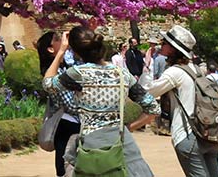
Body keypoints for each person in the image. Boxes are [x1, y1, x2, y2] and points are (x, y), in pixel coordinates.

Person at [43, 26, 159, 177]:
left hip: (94, 149)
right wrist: (129, 127)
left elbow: (48, 84)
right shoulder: (122, 74)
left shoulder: (78, 74)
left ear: (76, 52)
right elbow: (153, 109)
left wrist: (61, 52)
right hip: (124, 148)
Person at [146, 25, 218, 177]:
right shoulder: (196, 69)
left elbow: (149, 92)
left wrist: (146, 66)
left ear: (173, 49)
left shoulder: (175, 72)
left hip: (187, 134)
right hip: (206, 132)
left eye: (165, 42)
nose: (161, 44)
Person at [37, 31, 81, 177]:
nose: (62, 41)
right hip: (67, 127)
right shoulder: (54, 73)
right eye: (57, 39)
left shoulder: (66, 65)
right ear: (50, 49)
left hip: (75, 125)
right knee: (66, 169)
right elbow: (71, 105)